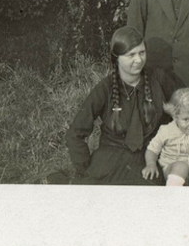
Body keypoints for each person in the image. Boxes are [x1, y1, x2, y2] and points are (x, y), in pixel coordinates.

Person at [61, 26, 179, 185]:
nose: (138, 60)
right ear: (116, 58)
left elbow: (187, 108)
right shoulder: (105, 88)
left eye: (142, 53)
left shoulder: (158, 79)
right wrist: (85, 168)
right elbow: (75, 133)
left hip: (149, 157)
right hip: (110, 158)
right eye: (131, 55)